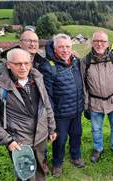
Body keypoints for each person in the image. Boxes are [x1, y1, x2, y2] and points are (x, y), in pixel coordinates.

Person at [0, 48, 57, 181]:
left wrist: (51, 127)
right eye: (17, 64)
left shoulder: (37, 78)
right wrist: (7, 140)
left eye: (26, 63)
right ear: (8, 64)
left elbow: (46, 103)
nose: (23, 67)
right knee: (25, 174)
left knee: (41, 167)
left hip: (41, 135)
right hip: (19, 141)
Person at [39, 34, 85, 177]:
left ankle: (75, 156)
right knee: (60, 140)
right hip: (60, 114)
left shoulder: (75, 62)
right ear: (54, 48)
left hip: (77, 110)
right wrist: (51, 116)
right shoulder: (48, 67)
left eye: (68, 47)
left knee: (76, 135)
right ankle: (57, 164)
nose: (65, 50)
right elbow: (48, 96)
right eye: (61, 47)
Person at [81, 31, 113, 163]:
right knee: (96, 129)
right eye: (96, 41)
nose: (99, 44)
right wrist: (86, 104)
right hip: (95, 102)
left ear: (107, 43)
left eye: (103, 41)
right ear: (92, 42)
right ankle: (98, 149)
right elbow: (83, 84)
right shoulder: (86, 61)